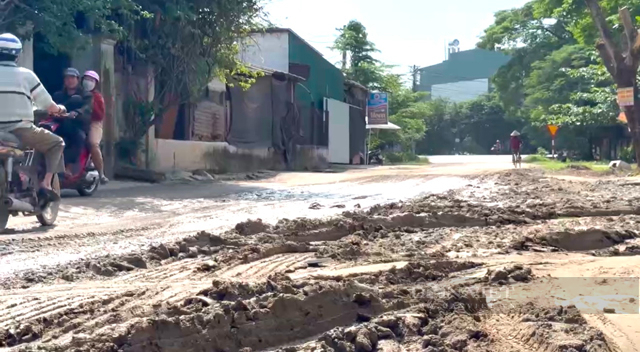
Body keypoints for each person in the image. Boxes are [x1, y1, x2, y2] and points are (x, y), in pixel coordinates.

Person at [0, 33, 66, 201]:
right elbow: (47, 104)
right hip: (20, 129)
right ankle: (45, 184)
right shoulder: (26, 75)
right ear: (17, 54)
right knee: (57, 143)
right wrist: (58, 109)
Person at [52, 68, 93, 174]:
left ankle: (69, 167)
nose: (69, 80)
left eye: (72, 77)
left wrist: (77, 113)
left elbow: (87, 108)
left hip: (78, 125)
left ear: (77, 79)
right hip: (60, 124)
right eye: (67, 78)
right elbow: (51, 106)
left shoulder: (85, 95)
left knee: (78, 138)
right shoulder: (58, 95)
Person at [82, 71, 108, 184]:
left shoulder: (97, 97)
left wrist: (92, 104)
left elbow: (100, 115)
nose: (88, 82)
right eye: (86, 79)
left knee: (93, 143)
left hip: (93, 123)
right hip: (77, 121)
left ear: (96, 83)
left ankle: (101, 173)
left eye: (91, 80)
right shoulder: (77, 93)